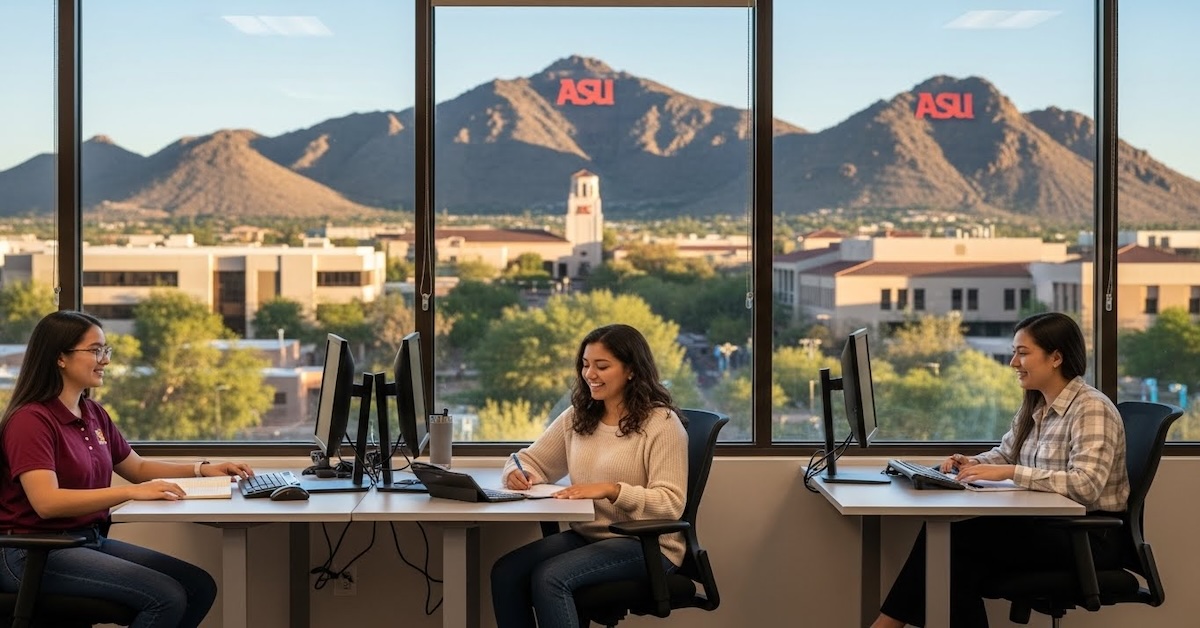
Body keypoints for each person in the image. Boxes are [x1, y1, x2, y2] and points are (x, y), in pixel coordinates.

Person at [872, 312, 1129, 628]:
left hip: (1087, 537)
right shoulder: (1036, 403)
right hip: (1048, 526)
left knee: (953, 542)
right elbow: (1007, 452)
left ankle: (884, 625)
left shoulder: (1091, 408)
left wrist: (1011, 472)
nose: (1013, 363)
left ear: (1056, 358)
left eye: (1023, 353)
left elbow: (1086, 485)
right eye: (1014, 352)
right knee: (951, 555)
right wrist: (974, 463)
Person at [0, 310, 255, 628]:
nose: (105, 360)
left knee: (199, 587)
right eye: (95, 350)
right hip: (34, 552)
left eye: (105, 350)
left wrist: (203, 469)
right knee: (166, 597)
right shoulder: (31, 421)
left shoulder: (91, 411)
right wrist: (132, 492)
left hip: (85, 540)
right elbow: (47, 502)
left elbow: (137, 466)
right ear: (60, 358)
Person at [490, 323, 688, 628]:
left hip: (645, 545)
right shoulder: (579, 415)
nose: (589, 374)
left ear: (631, 370)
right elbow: (528, 459)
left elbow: (670, 503)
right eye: (585, 365)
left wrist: (611, 489)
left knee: (550, 578)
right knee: (506, 572)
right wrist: (519, 472)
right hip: (590, 536)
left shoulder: (662, 423)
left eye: (602, 366)